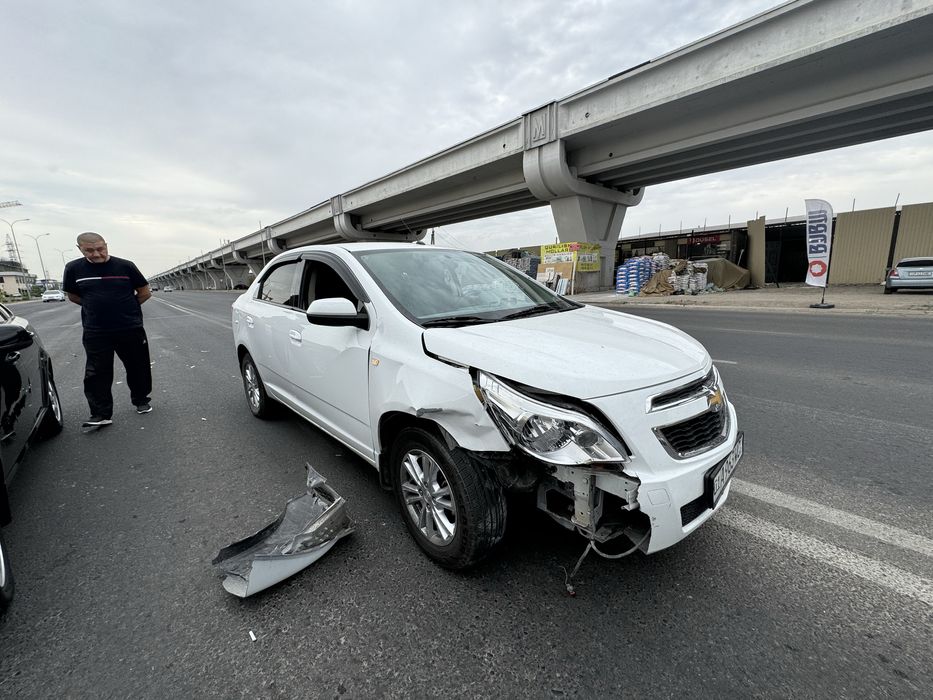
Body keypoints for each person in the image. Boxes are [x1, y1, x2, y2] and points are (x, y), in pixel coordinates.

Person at [62, 232, 153, 428]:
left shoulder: (125, 266)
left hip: (129, 327)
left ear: (106, 246)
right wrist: (95, 308)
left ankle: (141, 400)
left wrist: (127, 308)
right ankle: (100, 413)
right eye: (90, 250)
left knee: (138, 366)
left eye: (100, 249)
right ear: (80, 249)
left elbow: (145, 292)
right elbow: (73, 296)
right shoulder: (73, 268)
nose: (96, 254)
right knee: (97, 372)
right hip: (96, 330)